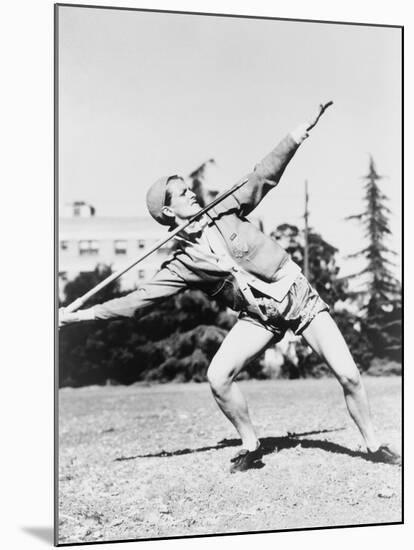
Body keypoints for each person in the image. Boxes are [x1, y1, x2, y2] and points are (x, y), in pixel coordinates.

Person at [59, 104, 400, 473]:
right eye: (181, 194)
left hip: (297, 298)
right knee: (217, 377)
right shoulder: (183, 264)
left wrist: (295, 136)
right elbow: (139, 301)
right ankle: (251, 445)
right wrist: (80, 315)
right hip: (259, 318)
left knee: (349, 375)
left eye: (189, 189)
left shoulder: (225, 208)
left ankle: (372, 444)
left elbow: (263, 176)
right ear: (168, 213)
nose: (191, 194)